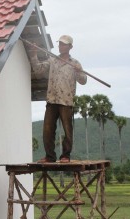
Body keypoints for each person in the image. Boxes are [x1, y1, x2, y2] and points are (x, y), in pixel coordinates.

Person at [29, 35, 87, 163]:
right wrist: (34, 55)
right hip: (52, 100)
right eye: (60, 44)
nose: (61, 46)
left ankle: (65, 155)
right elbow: (38, 71)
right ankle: (50, 156)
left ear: (70, 47)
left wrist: (78, 71)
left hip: (66, 101)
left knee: (67, 129)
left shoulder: (75, 63)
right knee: (47, 129)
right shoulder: (52, 60)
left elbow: (83, 81)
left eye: (64, 44)